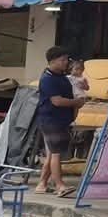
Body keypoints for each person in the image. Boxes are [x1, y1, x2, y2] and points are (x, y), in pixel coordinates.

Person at [35, 47, 80, 197]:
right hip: (50, 119)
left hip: (61, 119)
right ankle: (60, 186)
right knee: (56, 154)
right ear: (52, 61)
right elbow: (57, 101)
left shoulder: (62, 77)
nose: (66, 62)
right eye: (62, 60)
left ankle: (42, 184)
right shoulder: (47, 79)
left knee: (51, 153)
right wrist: (76, 102)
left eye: (67, 59)